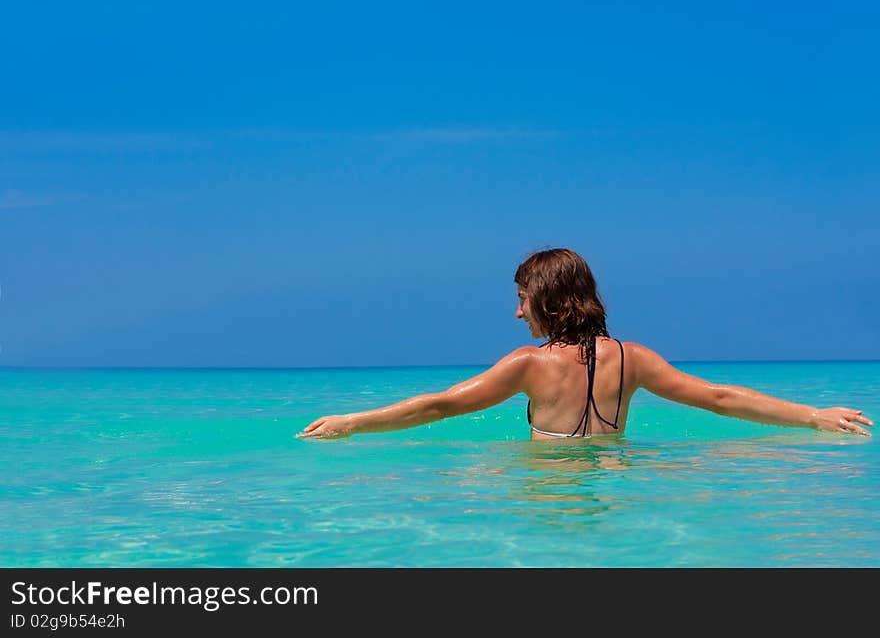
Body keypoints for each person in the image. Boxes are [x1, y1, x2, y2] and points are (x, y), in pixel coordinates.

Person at [298, 248, 872, 440]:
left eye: (524, 298)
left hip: (547, 493)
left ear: (547, 300)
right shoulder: (634, 359)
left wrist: (353, 422)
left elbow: (442, 404)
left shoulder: (527, 365)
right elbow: (719, 398)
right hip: (613, 489)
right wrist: (813, 415)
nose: (517, 310)